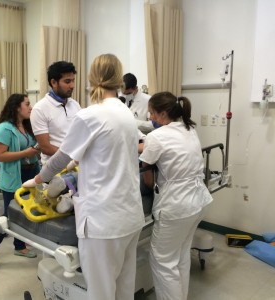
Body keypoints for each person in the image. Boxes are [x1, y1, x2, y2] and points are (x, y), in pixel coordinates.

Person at [24, 54, 145, 300]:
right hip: (131, 217)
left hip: (103, 222)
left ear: (91, 78)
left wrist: (37, 180)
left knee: (101, 293)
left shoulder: (90, 114)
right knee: (124, 290)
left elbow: (59, 158)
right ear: (118, 79)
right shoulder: (125, 113)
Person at [139, 92, 213, 300]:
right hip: (198, 201)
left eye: (152, 113)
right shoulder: (189, 129)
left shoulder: (157, 136)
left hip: (176, 206)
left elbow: (147, 170)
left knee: (163, 262)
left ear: (162, 113)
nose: (150, 117)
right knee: (180, 256)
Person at [0, 93, 40, 273]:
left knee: (25, 215)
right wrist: (27, 153)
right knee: (9, 218)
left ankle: (19, 246)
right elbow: (0, 156)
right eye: (27, 104)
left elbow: (34, 149)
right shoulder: (4, 128)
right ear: (16, 107)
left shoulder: (27, 125)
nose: (31, 107)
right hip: (15, 177)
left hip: (31, 174)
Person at [30, 61, 81, 164]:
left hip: (76, 166)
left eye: (73, 81)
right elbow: (45, 147)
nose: (72, 86)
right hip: (54, 171)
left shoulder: (75, 105)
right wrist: (72, 158)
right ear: (53, 83)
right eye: (67, 81)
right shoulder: (40, 109)